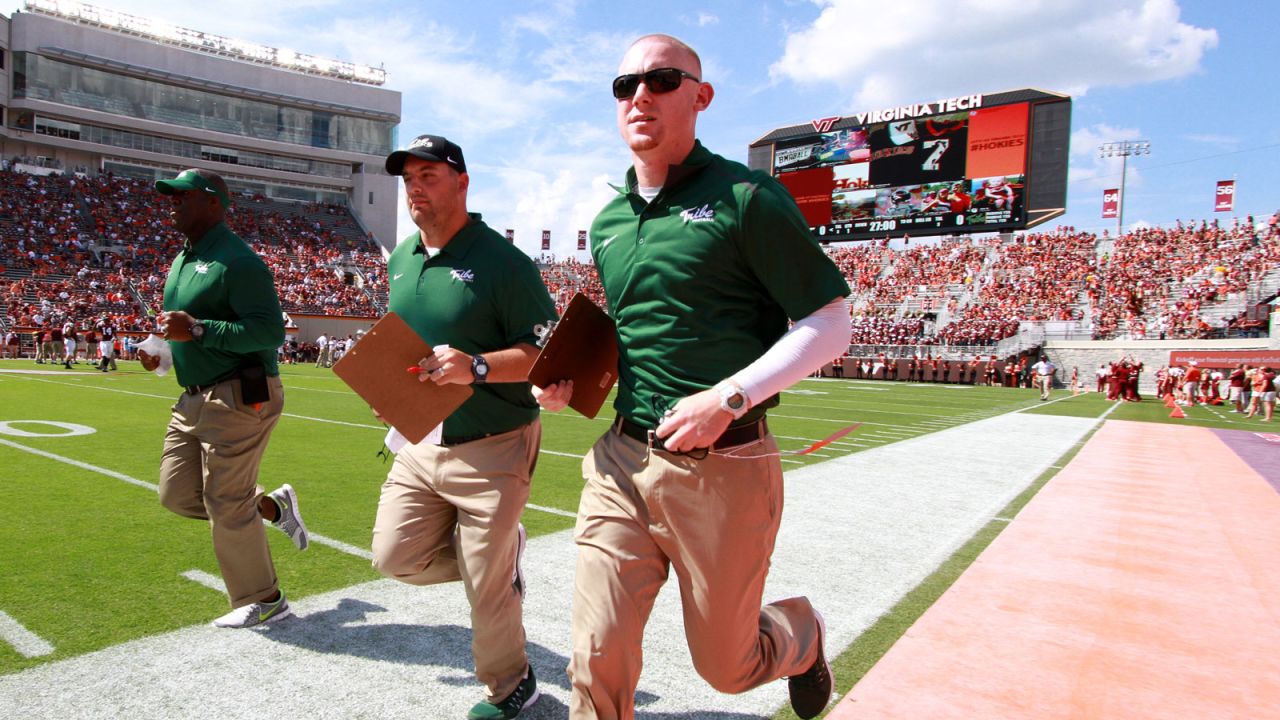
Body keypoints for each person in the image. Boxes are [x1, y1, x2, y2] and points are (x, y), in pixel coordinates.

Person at [535, 34, 850, 720]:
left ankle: (800, 633)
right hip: (621, 459)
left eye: (661, 79)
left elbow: (832, 320)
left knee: (727, 667)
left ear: (701, 96)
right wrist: (570, 378)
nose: (639, 95)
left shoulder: (747, 197)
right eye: (625, 86)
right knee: (596, 657)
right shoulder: (611, 220)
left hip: (725, 464)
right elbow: (637, 330)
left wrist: (727, 396)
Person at [374, 134, 556, 720]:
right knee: (393, 558)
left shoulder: (505, 263)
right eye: (408, 180)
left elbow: (547, 356)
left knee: (485, 588)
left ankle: (510, 686)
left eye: (429, 176)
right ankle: (500, 561)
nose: (416, 189)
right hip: (420, 439)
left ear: (462, 182)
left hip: (494, 444)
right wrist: (390, 392)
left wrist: (475, 367)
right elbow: (405, 343)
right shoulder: (401, 258)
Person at [138, 168, 309, 629]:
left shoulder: (239, 262)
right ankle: (271, 507)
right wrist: (166, 354)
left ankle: (266, 600)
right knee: (176, 495)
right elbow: (184, 331)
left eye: (183, 196)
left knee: (226, 500)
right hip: (192, 398)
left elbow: (270, 331)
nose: (173, 203)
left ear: (214, 203)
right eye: (171, 197)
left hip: (239, 394)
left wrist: (197, 329)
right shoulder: (182, 260)